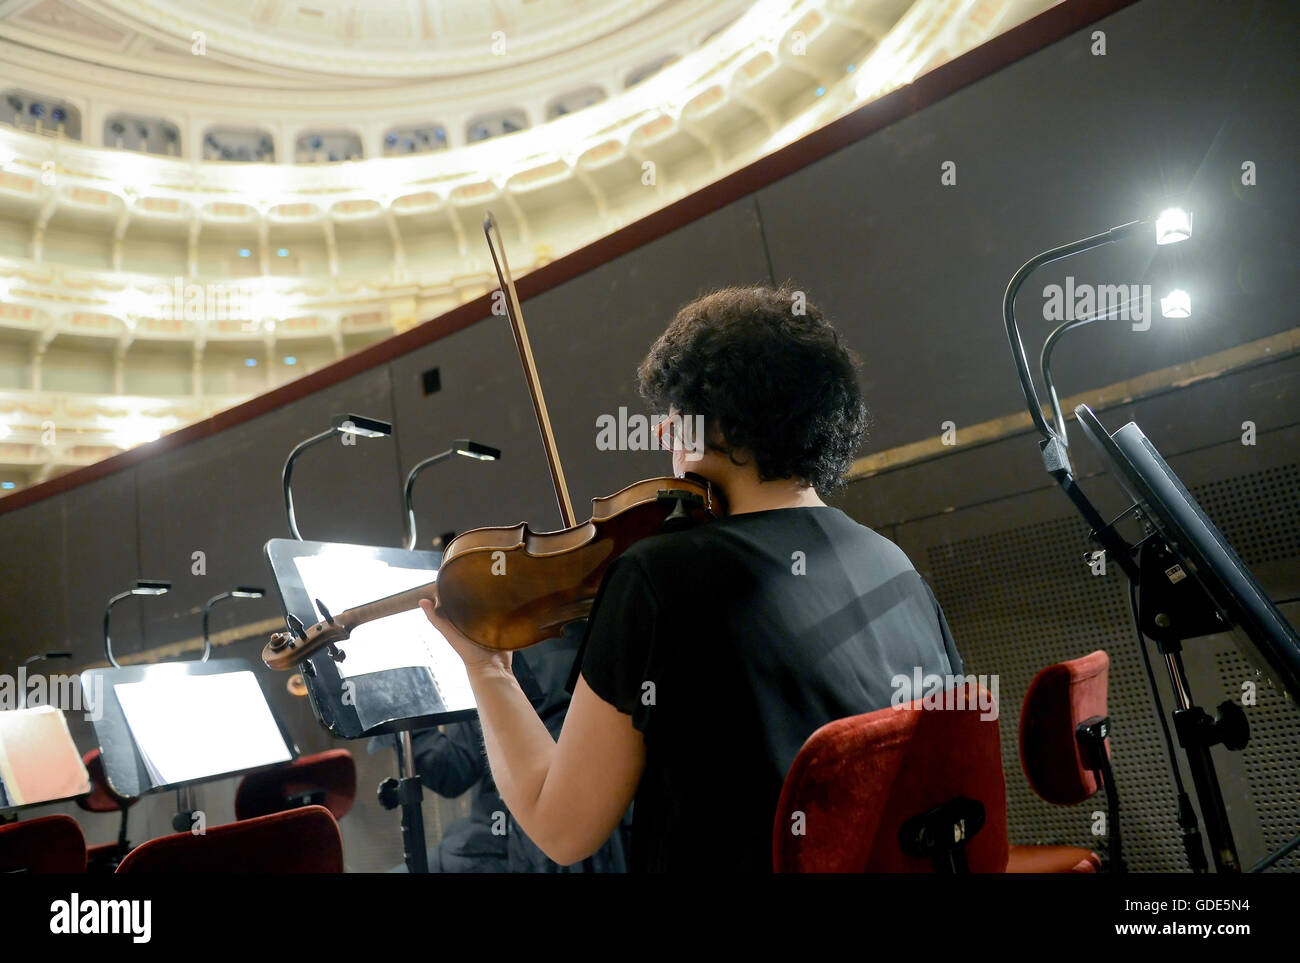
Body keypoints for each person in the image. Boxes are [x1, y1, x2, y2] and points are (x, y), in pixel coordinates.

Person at [420, 284, 963, 871]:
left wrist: (485, 669)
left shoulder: (659, 576)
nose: (662, 436)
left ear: (719, 425)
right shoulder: (894, 566)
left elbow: (562, 828)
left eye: (674, 418)